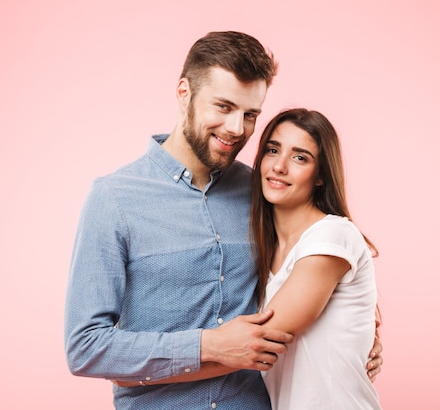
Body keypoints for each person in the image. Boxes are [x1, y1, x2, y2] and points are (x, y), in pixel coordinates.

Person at [64, 31, 383, 410]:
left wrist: (361, 334)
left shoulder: (263, 190)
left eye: (250, 114)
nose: (236, 128)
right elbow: (85, 348)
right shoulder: (113, 199)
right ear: (184, 92)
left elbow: (326, 267)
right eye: (223, 106)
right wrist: (208, 347)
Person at [250, 108, 383, 409]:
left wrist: (163, 364)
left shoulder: (333, 235)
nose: (279, 166)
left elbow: (260, 339)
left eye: (300, 157)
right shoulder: (260, 249)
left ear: (321, 175)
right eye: (273, 150)